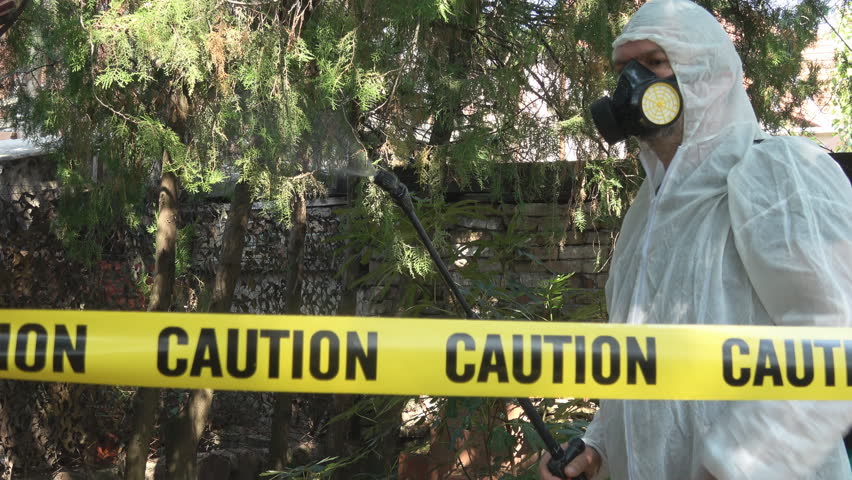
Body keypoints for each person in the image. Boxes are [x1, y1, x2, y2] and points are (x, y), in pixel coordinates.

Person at [538, 0, 852, 478]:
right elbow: (638, 356)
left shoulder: (775, 171)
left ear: (712, 75)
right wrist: (598, 444)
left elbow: (836, 346)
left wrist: (737, 466)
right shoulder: (648, 209)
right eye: (625, 69)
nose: (633, 85)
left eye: (656, 63)